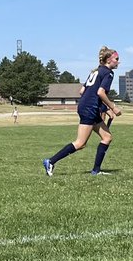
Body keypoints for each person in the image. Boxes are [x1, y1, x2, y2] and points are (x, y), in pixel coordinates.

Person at [43, 46, 123, 176]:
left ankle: (96, 171)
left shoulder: (96, 71)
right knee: (80, 143)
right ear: (108, 60)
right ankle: (50, 161)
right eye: (116, 59)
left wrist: (100, 107)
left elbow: (82, 91)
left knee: (107, 137)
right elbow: (100, 92)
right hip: (90, 109)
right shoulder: (108, 73)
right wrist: (113, 107)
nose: (118, 62)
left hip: (87, 107)